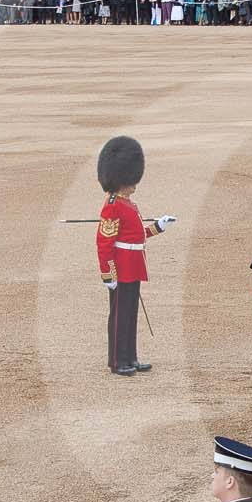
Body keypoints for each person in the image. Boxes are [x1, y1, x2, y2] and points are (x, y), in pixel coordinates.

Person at [96, 135, 171, 376]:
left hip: (134, 264)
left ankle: (131, 356)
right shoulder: (112, 204)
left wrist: (159, 226)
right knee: (119, 317)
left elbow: (136, 236)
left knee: (130, 315)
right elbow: (104, 242)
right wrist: (109, 274)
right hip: (121, 267)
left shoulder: (128, 203)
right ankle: (117, 361)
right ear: (120, 179)